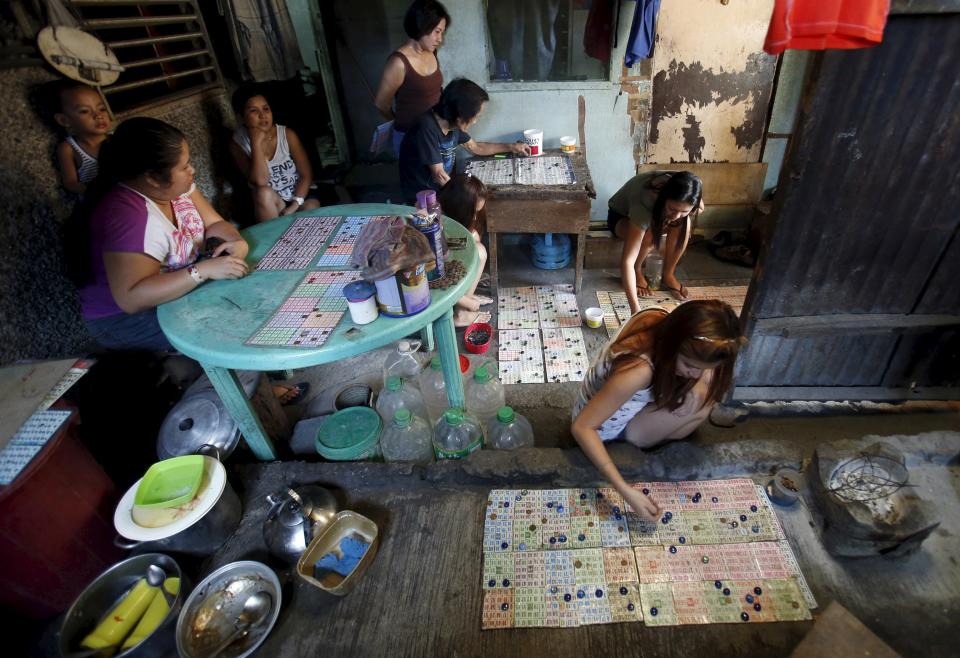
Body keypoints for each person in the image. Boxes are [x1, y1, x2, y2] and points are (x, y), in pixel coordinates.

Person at [71, 117, 308, 404]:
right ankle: (257, 398)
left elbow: (215, 223)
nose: (192, 170)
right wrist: (200, 271)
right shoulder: (127, 214)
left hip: (176, 283)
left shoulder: (175, 185)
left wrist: (236, 243)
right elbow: (131, 297)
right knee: (222, 324)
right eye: (184, 166)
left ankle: (265, 370)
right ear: (151, 178)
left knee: (250, 284)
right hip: (123, 319)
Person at [570, 301, 743, 520]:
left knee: (706, 385)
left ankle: (668, 415)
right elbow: (582, 427)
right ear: (674, 345)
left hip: (609, 402)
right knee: (704, 406)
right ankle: (643, 443)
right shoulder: (638, 371)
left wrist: (694, 385)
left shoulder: (660, 317)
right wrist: (624, 490)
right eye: (690, 365)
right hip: (605, 428)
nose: (694, 374)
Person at [398, 78, 531, 204]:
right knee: (475, 204)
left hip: (442, 189)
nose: (475, 121)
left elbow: (476, 147)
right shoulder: (426, 127)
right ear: (461, 114)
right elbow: (439, 175)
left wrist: (513, 147)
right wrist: (467, 198)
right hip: (422, 198)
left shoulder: (453, 124)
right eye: (475, 116)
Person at [608, 171, 705, 313]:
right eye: (672, 208)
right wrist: (636, 310)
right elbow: (626, 261)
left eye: (684, 210)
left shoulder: (689, 188)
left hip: (657, 215)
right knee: (651, 234)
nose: (676, 215)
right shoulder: (644, 202)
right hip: (620, 217)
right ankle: (637, 269)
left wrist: (683, 214)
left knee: (685, 223)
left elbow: (701, 208)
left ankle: (668, 274)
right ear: (664, 198)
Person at [229, 84, 320, 222]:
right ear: (241, 117)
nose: (263, 115)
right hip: (273, 202)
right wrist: (255, 143)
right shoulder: (237, 143)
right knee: (262, 192)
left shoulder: (287, 135)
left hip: (299, 197)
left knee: (311, 209)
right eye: (254, 110)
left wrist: (294, 206)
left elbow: (306, 174)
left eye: (266, 109)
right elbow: (260, 181)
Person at [373, 0, 450, 155]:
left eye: (442, 32)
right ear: (422, 27)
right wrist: (399, 121)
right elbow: (381, 104)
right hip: (410, 137)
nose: (440, 39)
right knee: (418, 179)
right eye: (437, 31)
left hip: (435, 133)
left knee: (439, 178)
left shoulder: (432, 52)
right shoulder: (398, 63)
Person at [438, 174, 493, 326]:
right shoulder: (433, 226)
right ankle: (460, 313)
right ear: (459, 208)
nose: (475, 218)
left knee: (474, 239)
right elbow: (432, 281)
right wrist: (466, 302)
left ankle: (463, 296)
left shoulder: (446, 207)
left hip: (442, 263)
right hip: (426, 284)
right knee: (478, 252)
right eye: (472, 212)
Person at [48, 80, 112, 195]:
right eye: (84, 111)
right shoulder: (68, 148)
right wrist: (96, 192)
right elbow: (71, 183)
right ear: (64, 120)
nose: (98, 115)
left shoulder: (118, 140)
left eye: (102, 108)